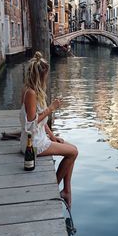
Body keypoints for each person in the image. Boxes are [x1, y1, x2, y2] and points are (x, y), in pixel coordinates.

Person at [20, 51, 78, 206]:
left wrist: (53, 137)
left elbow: (42, 121)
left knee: (69, 148)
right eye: (46, 75)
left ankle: (66, 190)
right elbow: (31, 125)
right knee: (73, 152)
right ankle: (57, 188)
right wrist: (51, 108)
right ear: (41, 75)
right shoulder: (31, 93)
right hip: (33, 144)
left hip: (38, 138)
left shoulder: (33, 91)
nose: (47, 77)